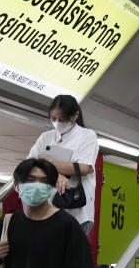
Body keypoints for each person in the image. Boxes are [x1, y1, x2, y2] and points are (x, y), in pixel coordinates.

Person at [28, 95, 98, 234]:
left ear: (75, 115)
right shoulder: (46, 137)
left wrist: (48, 163)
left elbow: (84, 168)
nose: (57, 123)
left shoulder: (87, 136)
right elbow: (29, 165)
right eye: (53, 118)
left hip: (78, 211)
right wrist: (57, 175)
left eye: (62, 119)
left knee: (71, 253)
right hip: (48, 207)